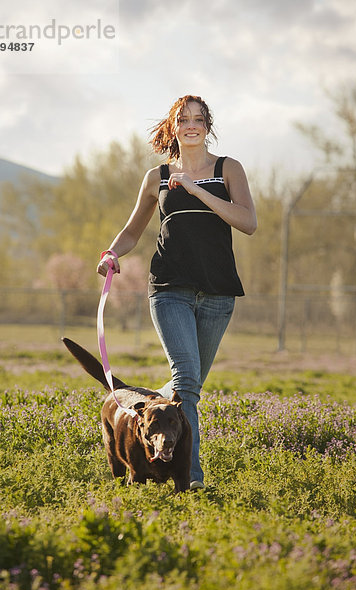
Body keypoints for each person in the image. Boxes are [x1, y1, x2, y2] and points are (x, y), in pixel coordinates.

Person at [97, 94, 257, 490]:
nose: (191, 125)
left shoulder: (228, 168)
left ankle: (153, 412)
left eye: (199, 120)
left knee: (189, 385)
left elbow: (248, 222)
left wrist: (196, 189)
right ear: (173, 126)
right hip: (169, 289)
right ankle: (191, 479)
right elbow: (134, 229)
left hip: (218, 293)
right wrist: (112, 252)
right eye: (184, 119)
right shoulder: (156, 176)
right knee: (186, 381)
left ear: (208, 126)